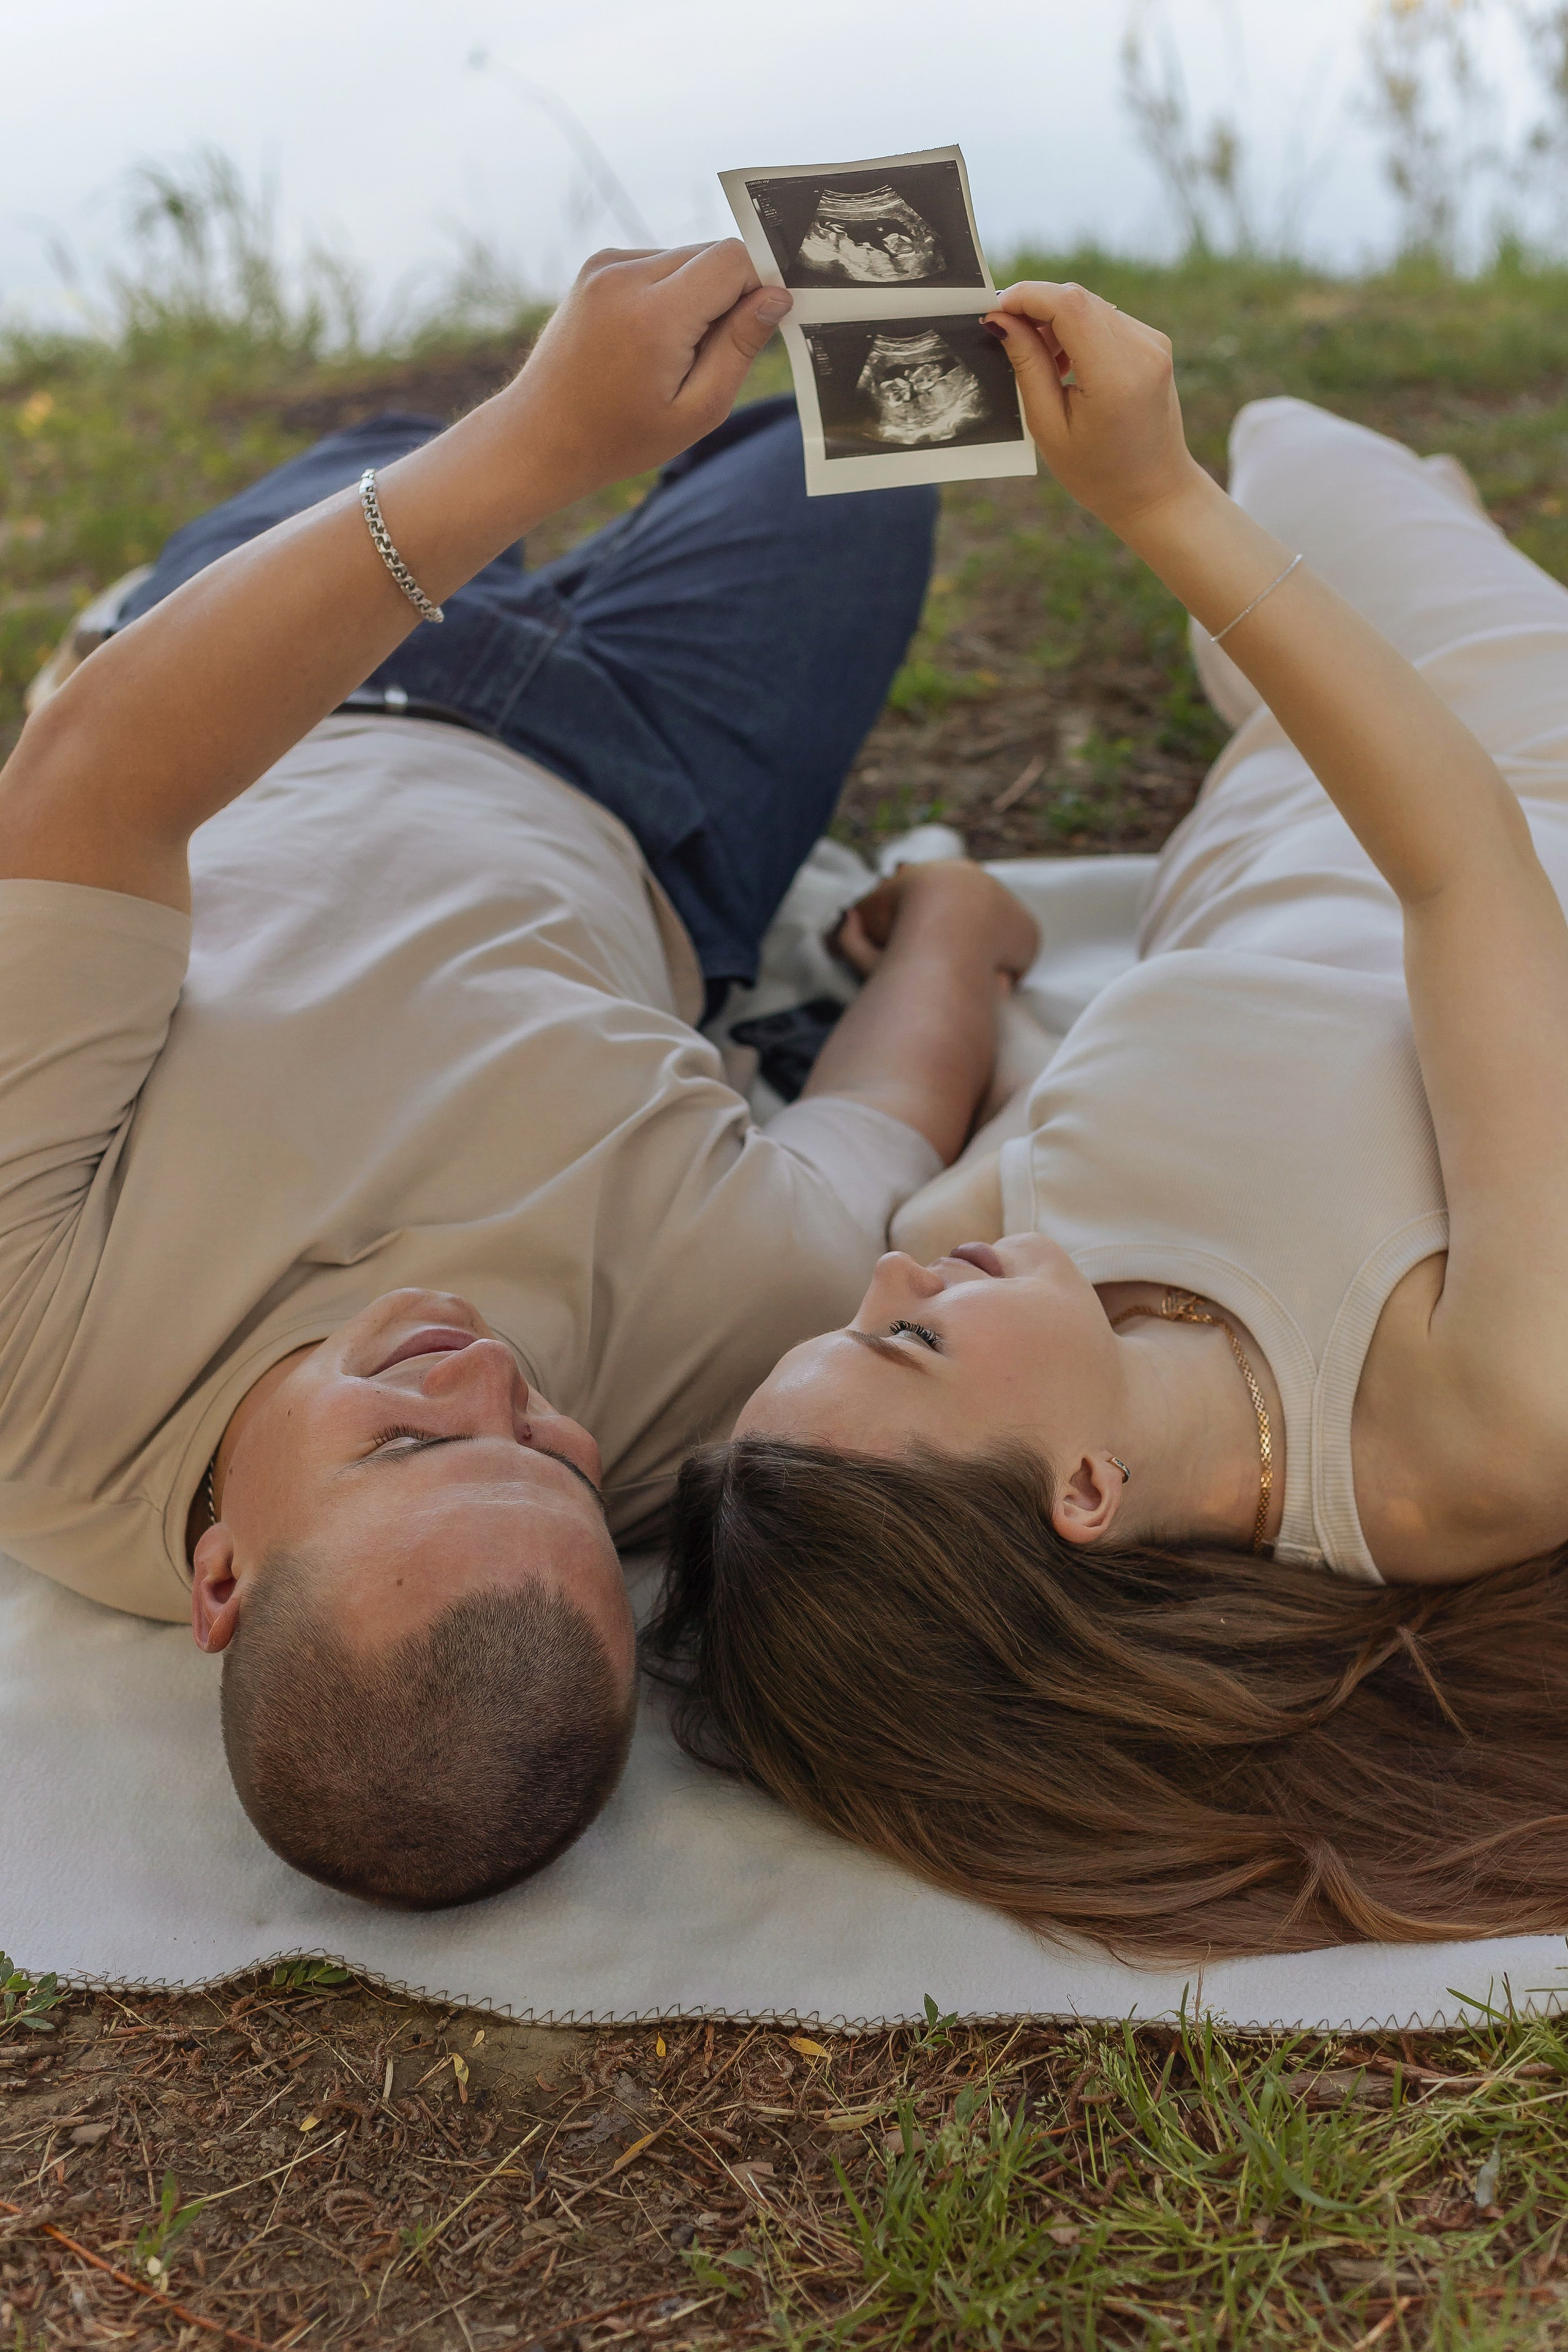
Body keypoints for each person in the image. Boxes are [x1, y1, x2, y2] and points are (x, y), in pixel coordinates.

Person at [0, 241, 1038, 1910]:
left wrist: (547, 437)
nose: (485, 1380)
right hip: (652, 783)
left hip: (280, 698)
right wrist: (960, 937)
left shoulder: (31, 1370)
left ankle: (437, 485)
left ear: (219, 1578)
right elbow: (880, 1117)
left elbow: (99, 785)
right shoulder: (705, 1361)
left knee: (393, 444)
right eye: (549, 1458)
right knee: (864, 449)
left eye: (407, 1448)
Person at [647, 279, 1568, 1964]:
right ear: (1080, 1493)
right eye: (905, 1347)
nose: (890, 1281)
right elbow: (1468, 877)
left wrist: (948, 926)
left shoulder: (980, 1260)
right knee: (1291, 450)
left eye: (859, 1321)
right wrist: (1155, 504)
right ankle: (1395, 550)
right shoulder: (1467, 1440)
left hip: (1261, 820)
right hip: (1515, 759)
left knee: (1279, 560)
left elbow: (1024, 1076)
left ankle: (1340, 579)